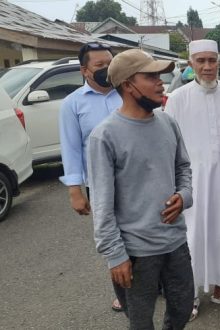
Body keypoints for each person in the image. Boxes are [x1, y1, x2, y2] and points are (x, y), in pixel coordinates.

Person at [87, 49, 194, 329]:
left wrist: (184, 197)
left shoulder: (168, 122)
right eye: (150, 76)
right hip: (135, 253)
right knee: (140, 322)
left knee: (182, 309)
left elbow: (183, 168)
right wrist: (115, 255)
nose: (160, 82)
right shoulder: (105, 136)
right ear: (127, 85)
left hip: (175, 242)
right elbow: (101, 205)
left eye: (160, 75)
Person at [165, 39, 220, 320]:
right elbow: (169, 146)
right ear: (191, 64)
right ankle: (189, 296)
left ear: (218, 63)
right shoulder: (178, 99)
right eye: (201, 61)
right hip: (192, 184)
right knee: (191, 238)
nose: (208, 66)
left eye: (212, 61)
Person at [58, 42, 124, 312]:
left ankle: (151, 283)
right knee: (111, 236)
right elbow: (70, 148)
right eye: (100, 66)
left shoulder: (127, 92)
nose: (107, 69)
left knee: (146, 232)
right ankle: (123, 289)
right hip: (99, 185)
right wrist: (75, 190)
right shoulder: (72, 104)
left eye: (110, 63)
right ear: (85, 71)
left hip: (138, 179)